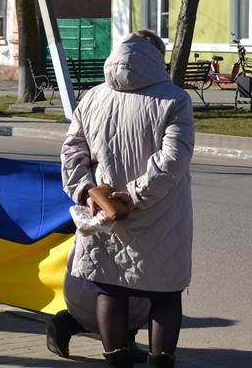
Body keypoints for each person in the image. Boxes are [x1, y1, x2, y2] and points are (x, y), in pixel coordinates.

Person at [60, 30, 194, 368]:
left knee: (110, 289)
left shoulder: (91, 98)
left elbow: (72, 151)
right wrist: (135, 195)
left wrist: (86, 191)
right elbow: (173, 159)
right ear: (157, 57)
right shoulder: (174, 99)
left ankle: (116, 361)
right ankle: (160, 362)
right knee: (164, 294)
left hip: (106, 216)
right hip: (161, 214)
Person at [47, 240, 151, 361]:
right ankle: (124, 345)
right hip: (123, 299)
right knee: (155, 297)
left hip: (77, 290)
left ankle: (69, 323)